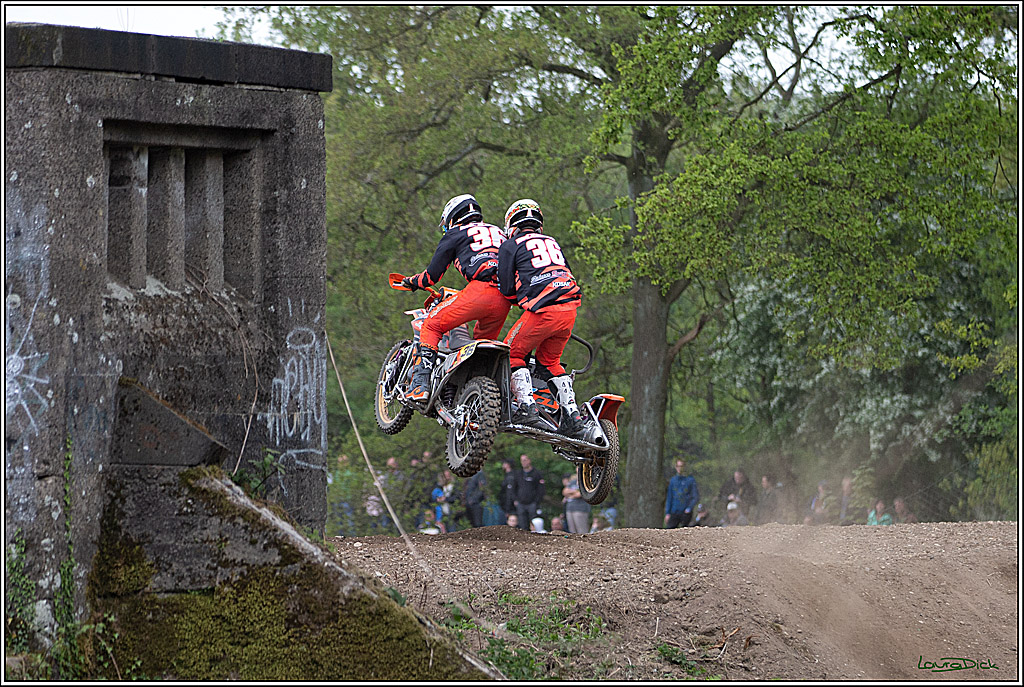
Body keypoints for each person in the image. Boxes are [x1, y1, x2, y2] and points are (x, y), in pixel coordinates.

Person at [496, 198, 597, 441]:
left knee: (511, 353)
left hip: (544, 309)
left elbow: (507, 288)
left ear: (512, 224)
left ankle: (526, 408)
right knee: (550, 361)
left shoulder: (510, 245)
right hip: (569, 307)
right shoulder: (552, 242)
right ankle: (572, 417)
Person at [401, 194, 511, 402]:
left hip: (480, 290)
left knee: (431, 325)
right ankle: (471, 398)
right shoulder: (499, 232)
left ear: (452, 217)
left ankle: (420, 384)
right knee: (481, 351)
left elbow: (431, 276)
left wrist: (413, 282)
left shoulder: (455, 233)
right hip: (505, 299)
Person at [664, 458, 700, 528]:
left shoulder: (690, 480)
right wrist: (667, 513)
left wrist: (689, 508)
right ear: (676, 467)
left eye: (681, 466)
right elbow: (669, 497)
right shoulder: (673, 480)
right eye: (678, 466)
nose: (679, 468)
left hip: (685, 513)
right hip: (674, 512)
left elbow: (695, 496)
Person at [514, 454, 545, 530]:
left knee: (533, 522)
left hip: (532, 503)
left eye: (525, 460)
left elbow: (541, 489)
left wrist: (537, 501)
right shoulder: (518, 474)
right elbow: (514, 488)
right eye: (522, 461)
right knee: (522, 524)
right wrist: (515, 500)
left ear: (529, 460)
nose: (523, 462)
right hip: (521, 503)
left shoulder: (536, 473)